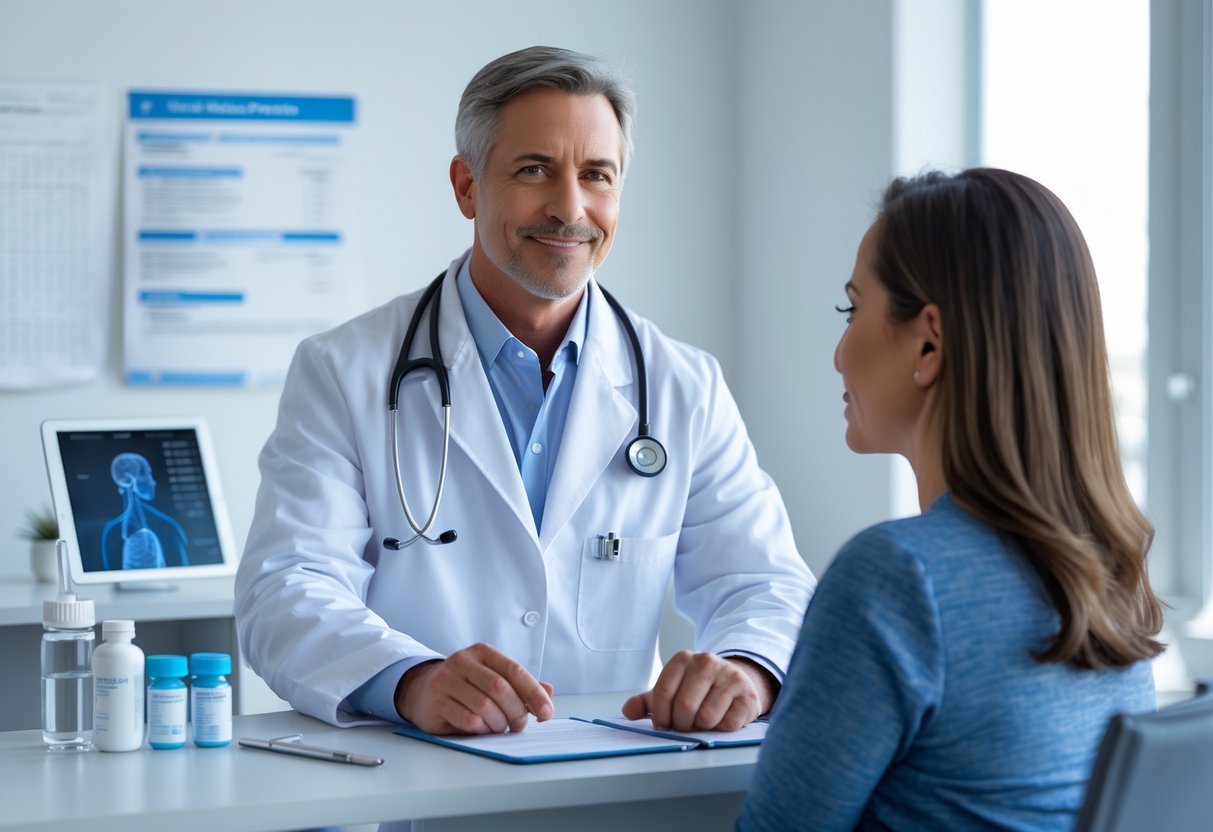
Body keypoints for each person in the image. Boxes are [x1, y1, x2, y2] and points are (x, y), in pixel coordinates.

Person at [234, 46, 814, 738]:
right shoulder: (344, 370)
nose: (570, 209)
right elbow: (286, 590)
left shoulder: (681, 385)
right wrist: (412, 679)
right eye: (534, 170)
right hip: (435, 787)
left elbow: (764, 583)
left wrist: (744, 670)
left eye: (596, 175)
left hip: (624, 790)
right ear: (466, 186)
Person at [737, 168, 1163, 831]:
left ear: (928, 341)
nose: (837, 354)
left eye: (853, 310)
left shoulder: (895, 579)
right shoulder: (1109, 573)